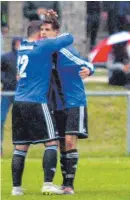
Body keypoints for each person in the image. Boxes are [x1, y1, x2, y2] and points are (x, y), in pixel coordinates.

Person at [11, 20, 74, 196]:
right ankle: (48, 183)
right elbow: (69, 38)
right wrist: (53, 32)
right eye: (43, 31)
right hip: (36, 101)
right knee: (52, 142)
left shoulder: (22, 47)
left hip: (18, 102)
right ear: (39, 33)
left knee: (21, 147)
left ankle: (16, 188)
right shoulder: (43, 46)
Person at [40, 11, 94, 195]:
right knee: (60, 143)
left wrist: (89, 69)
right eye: (42, 29)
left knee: (70, 141)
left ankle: (69, 184)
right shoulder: (43, 52)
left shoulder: (64, 50)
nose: (43, 33)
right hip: (56, 104)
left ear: (56, 33)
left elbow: (86, 63)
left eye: (47, 29)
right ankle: (63, 184)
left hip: (74, 101)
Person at [1, 37, 22, 156]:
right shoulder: (6, 57)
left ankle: (18, 148)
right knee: (0, 119)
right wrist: (6, 80)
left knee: (19, 121)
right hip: (7, 93)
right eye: (17, 44)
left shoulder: (25, 58)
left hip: (20, 94)